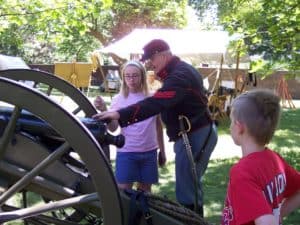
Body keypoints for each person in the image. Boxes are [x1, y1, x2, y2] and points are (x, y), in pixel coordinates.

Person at [93, 39, 218, 216]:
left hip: (195, 135)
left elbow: (156, 103)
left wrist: (120, 114)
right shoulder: (179, 71)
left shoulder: (179, 75)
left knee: (187, 190)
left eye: (152, 58)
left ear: (164, 54)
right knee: (188, 187)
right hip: (193, 134)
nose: (150, 63)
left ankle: (192, 220)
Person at [221, 89, 300, 225]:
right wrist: (279, 214)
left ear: (240, 127)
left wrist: (274, 217)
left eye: (232, 121)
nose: (230, 126)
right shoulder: (275, 159)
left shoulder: (242, 173)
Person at [94, 60, 166, 193]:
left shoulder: (152, 98)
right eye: (127, 76)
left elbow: (158, 127)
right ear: (123, 77)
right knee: (123, 191)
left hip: (149, 152)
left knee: (145, 192)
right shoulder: (118, 99)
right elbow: (113, 128)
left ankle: (143, 215)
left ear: (142, 76)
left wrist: (162, 151)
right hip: (127, 152)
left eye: (135, 75)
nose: (131, 80)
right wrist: (105, 109)